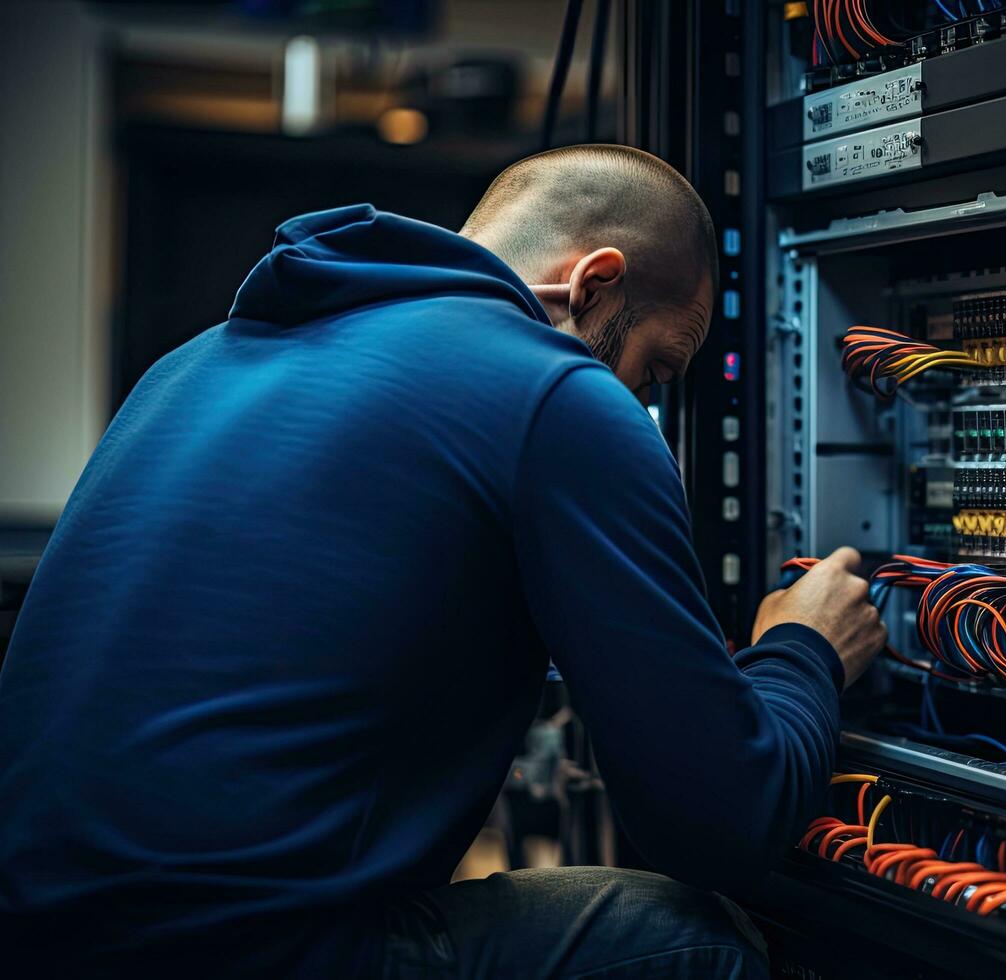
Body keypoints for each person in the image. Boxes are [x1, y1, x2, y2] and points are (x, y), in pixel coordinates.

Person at [0, 144, 886, 977]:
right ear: (595, 282)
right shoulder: (556, 392)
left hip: (36, 936)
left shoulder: (186, 367)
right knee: (687, 941)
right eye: (655, 372)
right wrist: (803, 650)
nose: (643, 408)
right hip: (242, 955)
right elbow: (719, 826)